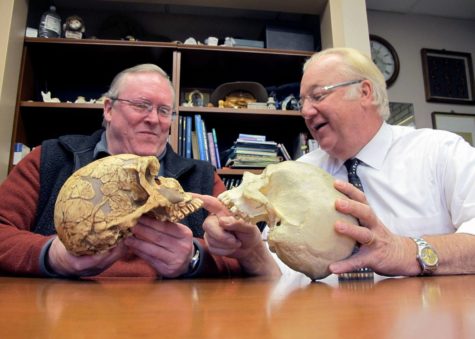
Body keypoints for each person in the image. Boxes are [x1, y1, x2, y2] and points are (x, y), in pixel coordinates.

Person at [202, 47, 475, 278]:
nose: (306, 112)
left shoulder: (441, 153)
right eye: (302, 102)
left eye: (318, 96)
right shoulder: (298, 171)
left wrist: (404, 251)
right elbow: (283, 278)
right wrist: (251, 252)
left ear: (364, 92)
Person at [0, 63, 278, 279]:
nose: (154, 119)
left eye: (164, 111)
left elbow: (243, 254)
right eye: (141, 105)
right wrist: (51, 256)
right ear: (108, 109)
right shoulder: (50, 159)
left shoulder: (202, 177)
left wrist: (195, 258)